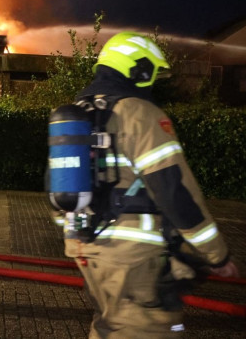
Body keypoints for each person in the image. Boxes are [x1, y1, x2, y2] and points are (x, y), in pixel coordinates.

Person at [55, 32, 239, 338]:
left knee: (109, 326)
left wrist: (79, 235)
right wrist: (215, 255)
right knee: (149, 329)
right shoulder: (138, 112)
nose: (152, 82)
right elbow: (174, 191)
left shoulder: (82, 111)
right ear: (138, 70)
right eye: (152, 73)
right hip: (132, 257)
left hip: (87, 247)